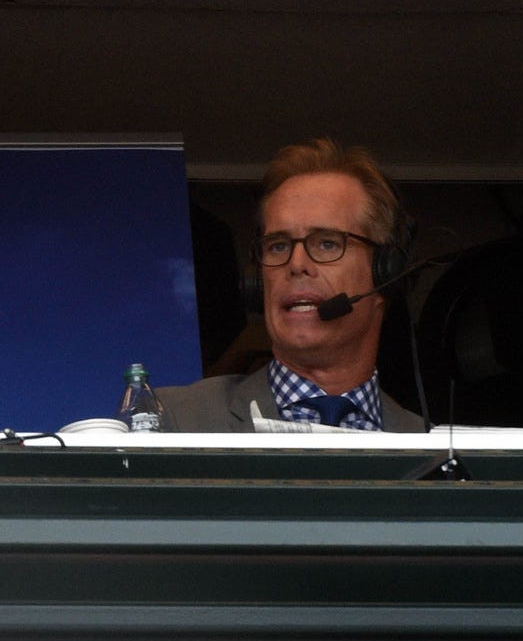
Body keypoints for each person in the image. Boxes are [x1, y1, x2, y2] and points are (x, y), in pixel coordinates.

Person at [157, 139, 426, 433]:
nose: (296, 264)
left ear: (386, 273)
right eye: (278, 246)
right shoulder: (174, 420)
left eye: (327, 243)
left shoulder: (435, 450)